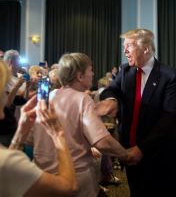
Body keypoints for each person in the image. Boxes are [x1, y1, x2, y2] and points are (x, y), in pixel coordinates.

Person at [25, 53, 131, 197]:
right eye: (90, 70)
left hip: (42, 180)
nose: (93, 74)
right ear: (80, 76)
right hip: (75, 180)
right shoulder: (83, 99)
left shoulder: (46, 97)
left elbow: (30, 140)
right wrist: (126, 155)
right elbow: (102, 142)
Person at [96, 28, 176, 197]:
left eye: (129, 46)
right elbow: (110, 90)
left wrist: (142, 148)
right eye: (124, 46)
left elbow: (170, 118)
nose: (125, 51)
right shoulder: (125, 71)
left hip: (161, 159)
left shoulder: (170, 76)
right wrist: (111, 100)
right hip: (130, 156)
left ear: (146, 48)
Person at [0, 59, 77, 196]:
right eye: (4, 91)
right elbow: (68, 186)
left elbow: (6, 175)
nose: (6, 98)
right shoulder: (5, 161)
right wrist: (58, 134)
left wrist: (20, 134)